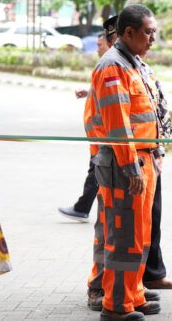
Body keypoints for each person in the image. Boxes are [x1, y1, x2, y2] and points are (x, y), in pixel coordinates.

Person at [85, 5, 163, 320]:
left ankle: (133, 295)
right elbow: (118, 125)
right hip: (123, 164)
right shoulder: (112, 67)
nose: (153, 39)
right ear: (128, 33)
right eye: (148, 32)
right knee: (122, 236)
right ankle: (115, 305)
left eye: (154, 32)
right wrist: (131, 167)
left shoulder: (134, 64)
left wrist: (153, 154)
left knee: (140, 234)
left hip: (142, 160)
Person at [59, 18, 118, 222]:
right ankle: (83, 207)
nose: (97, 49)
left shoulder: (112, 63)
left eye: (100, 45)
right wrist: (89, 91)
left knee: (97, 170)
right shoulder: (107, 64)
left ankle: (82, 207)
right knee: (96, 169)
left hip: (106, 135)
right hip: (98, 134)